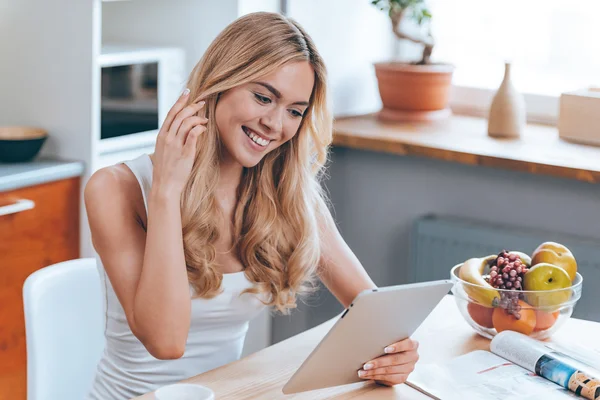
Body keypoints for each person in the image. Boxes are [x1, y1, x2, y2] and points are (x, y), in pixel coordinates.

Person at [84, 11, 419, 399]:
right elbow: (167, 342)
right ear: (218, 84)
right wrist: (166, 192)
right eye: (263, 97)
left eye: (294, 111)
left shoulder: (289, 195)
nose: (275, 124)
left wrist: (398, 351)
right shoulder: (116, 189)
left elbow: (373, 312)